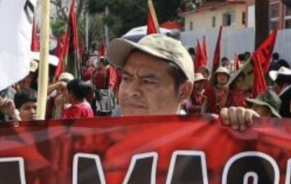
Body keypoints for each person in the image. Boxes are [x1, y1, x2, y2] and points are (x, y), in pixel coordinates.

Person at [105, 34, 255, 129]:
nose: (130, 91)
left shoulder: (207, 146)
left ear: (183, 91)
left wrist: (251, 135)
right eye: (126, 78)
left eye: (147, 81)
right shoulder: (97, 144)